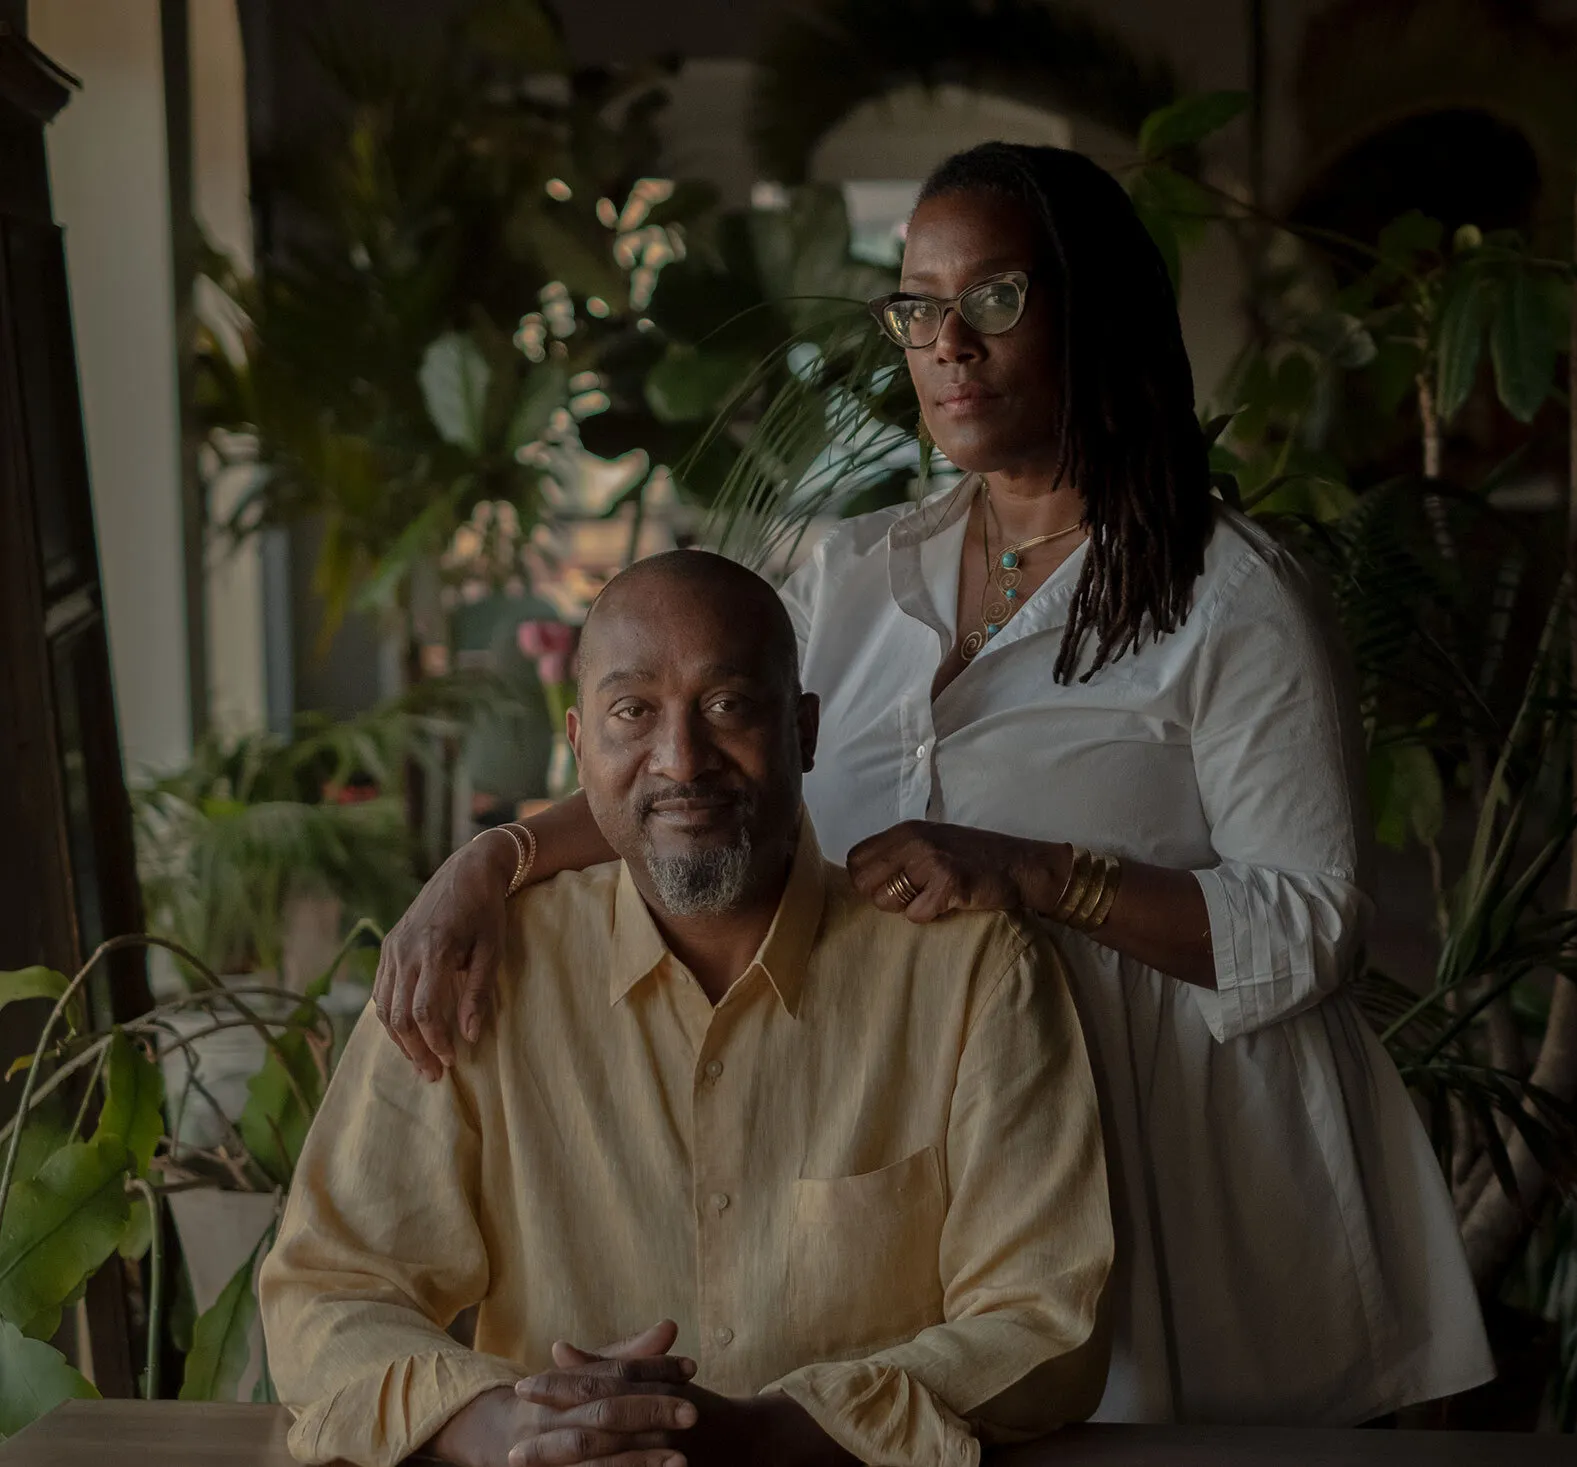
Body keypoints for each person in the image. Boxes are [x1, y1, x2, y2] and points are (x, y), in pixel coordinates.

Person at [374, 141, 1493, 1426]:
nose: (946, 342)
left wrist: (1033, 872)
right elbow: (698, 786)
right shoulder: (849, 577)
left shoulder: (1226, 595)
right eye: (918, 306)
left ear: (1094, 310)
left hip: (1185, 1155)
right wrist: (488, 863)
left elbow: (1312, 925)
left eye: (996, 300)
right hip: (938, 1149)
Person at [262, 552, 1113, 1467]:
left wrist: (773, 1432)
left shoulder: (973, 973)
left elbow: (1046, 1324)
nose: (681, 758)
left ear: (805, 729)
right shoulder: (483, 969)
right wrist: (503, 1423)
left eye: (728, 705)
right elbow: (327, 1293)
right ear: (579, 742)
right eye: (635, 712)